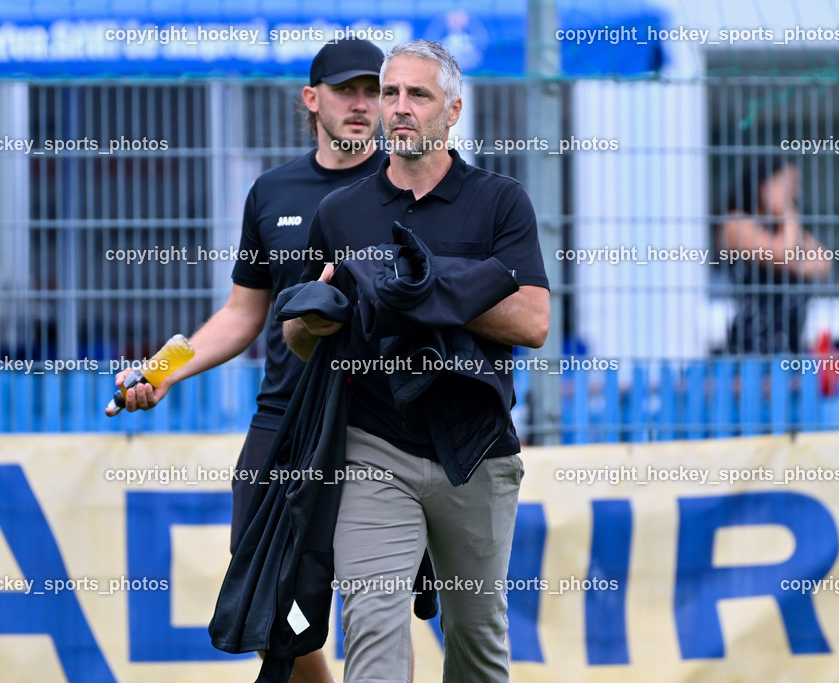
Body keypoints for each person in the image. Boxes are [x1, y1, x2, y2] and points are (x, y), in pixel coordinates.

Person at [108, 37, 386, 682]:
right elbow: (241, 313)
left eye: (374, 91)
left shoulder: (404, 184)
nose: (362, 104)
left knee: (378, 608)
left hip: (380, 416)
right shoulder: (272, 191)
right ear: (311, 100)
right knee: (268, 596)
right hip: (285, 415)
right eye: (347, 90)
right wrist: (159, 371)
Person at [283, 39, 550, 682]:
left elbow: (534, 322)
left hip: (476, 450)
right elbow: (297, 336)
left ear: (452, 111)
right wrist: (318, 318)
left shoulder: (500, 201)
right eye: (390, 93)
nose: (398, 108)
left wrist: (428, 291)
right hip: (373, 446)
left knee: (476, 638)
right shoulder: (340, 212)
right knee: (373, 620)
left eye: (418, 95)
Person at [718, 156, 832, 354]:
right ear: (764, 186)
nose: (794, 193)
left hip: (791, 346)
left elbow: (823, 262)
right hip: (750, 348)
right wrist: (789, 217)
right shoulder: (736, 223)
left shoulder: (785, 230)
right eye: (788, 184)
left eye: (796, 185)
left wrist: (788, 257)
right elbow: (783, 254)